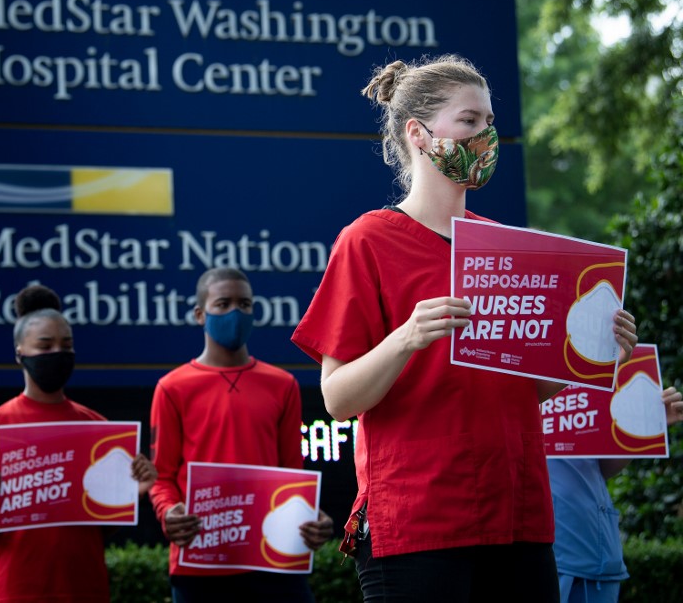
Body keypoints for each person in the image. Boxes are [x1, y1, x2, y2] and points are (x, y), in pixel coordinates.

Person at [289, 55, 638, 602]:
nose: (485, 136)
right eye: (469, 120)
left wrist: (593, 351)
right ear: (418, 134)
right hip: (420, 520)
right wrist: (407, 337)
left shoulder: (507, 247)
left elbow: (525, 390)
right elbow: (336, 398)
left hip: (519, 515)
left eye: (490, 122)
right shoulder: (367, 240)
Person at [149, 267, 335, 603]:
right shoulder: (172, 388)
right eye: (223, 304)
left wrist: (309, 514)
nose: (236, 312)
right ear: (200, 314)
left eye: (244, 304)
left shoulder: (283, 385)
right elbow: (161, 475)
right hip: (200, 562)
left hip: (273, 559)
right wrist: (169, 511)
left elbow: (292, 473)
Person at [0, 284, 156, 603]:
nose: (58, 353)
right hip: (17, 591)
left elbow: (98, 529)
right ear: (20, 353)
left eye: (66, 345)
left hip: (86, 589)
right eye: (45, 345)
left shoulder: (97, 427)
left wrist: (129, 497)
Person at [549, 386, 683, 603]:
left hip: (594, 552)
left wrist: (648, 426)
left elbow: (600, 468)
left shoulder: (585, 378)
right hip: (542, 555)